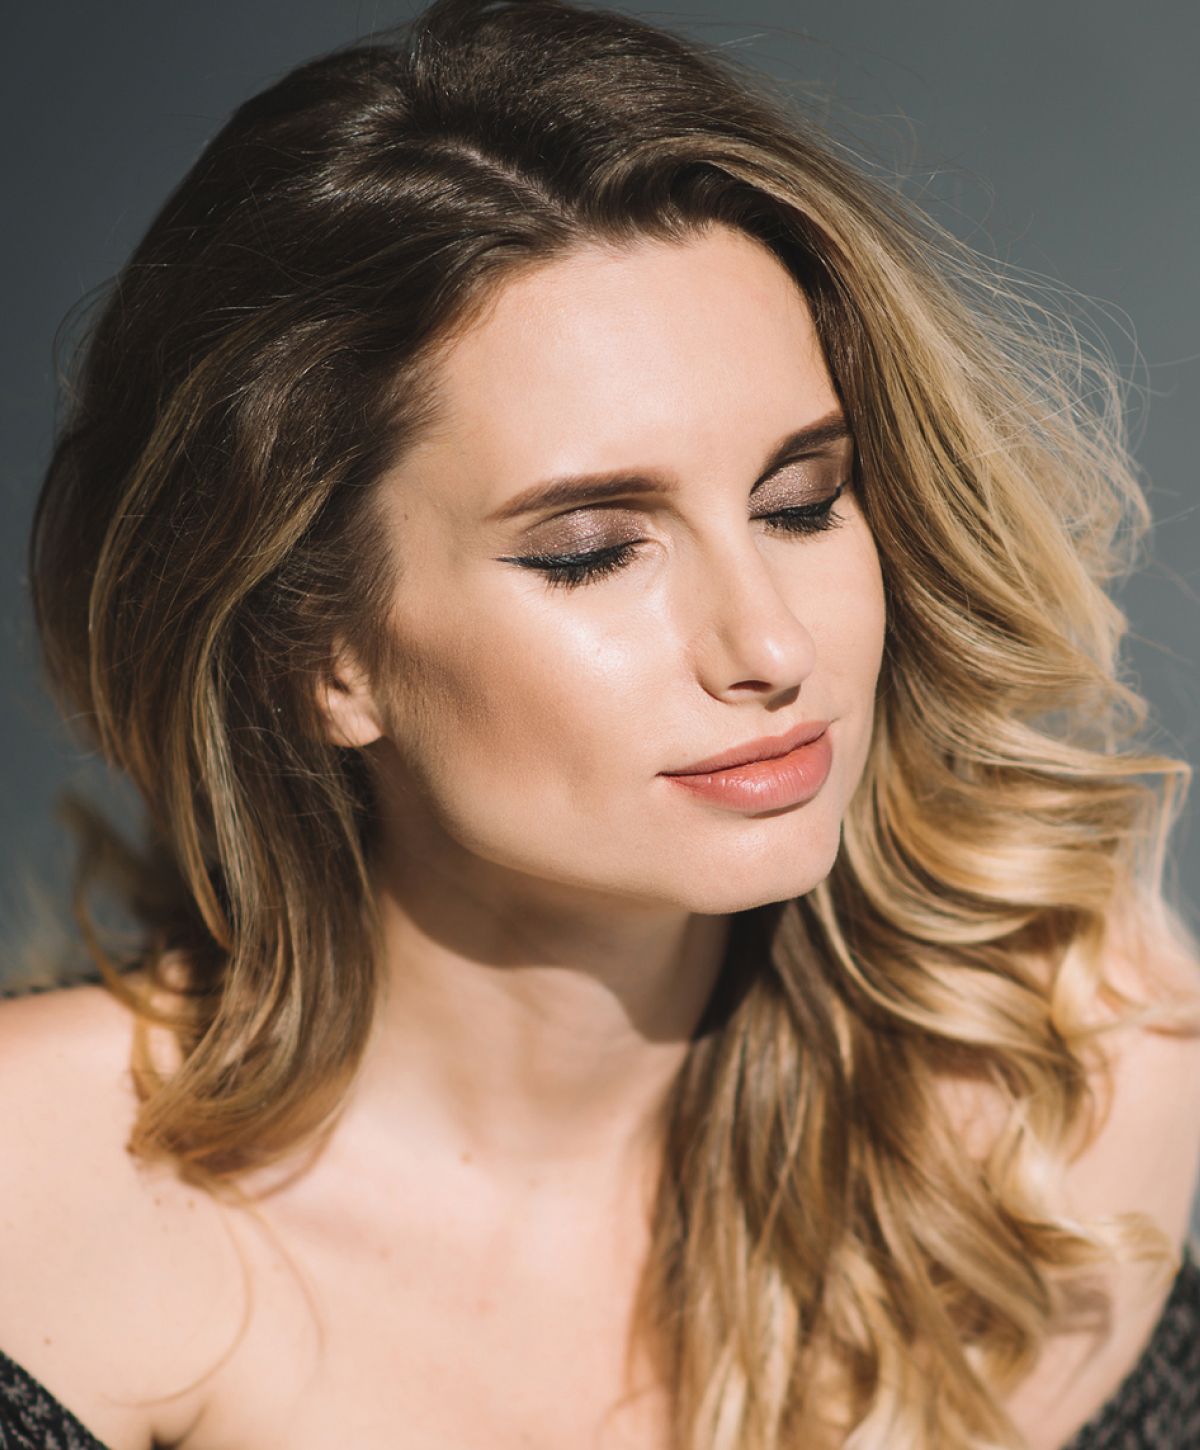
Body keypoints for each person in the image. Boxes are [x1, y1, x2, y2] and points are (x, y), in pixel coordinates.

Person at [2, 0, 1198, 1446]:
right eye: (590, 549)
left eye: (801, 502)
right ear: (321, 652)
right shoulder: (42, 1190)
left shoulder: (1066, 1093)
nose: (770, 644)